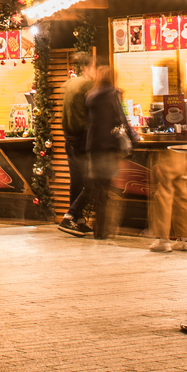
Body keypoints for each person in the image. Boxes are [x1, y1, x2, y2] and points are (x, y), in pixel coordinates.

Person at [83, 65, 136, 241]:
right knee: (106, 189)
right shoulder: (113, 95)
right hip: (107, 146)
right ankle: (104, 229)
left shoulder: (90, 95)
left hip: (92, 146)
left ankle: (98, 229)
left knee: (98, 189)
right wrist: (132, 139)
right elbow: (121, 118)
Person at [58, 51, 94, 236]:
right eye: (94, 67)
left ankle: (78, 220)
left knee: (76, 182)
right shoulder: (88, 84)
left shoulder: (69, 83)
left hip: (69, 139)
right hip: (82, 140)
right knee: (92, 182)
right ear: (87, 68)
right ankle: (70, 216)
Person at [147, 149, 187, 253]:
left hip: (166, 152)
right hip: (182, 153)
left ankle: (163, 240)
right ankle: (185, 240)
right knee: (182, 193)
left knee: (164, 194)